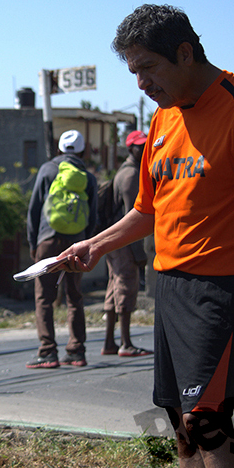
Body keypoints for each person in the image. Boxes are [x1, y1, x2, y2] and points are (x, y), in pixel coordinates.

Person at [57, 4, 234, 468]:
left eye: (148, 68)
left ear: (185, 53)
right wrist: (94, 246)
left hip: (226, 284)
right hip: (171, 285)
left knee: (207, 422)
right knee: (182, 427)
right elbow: (148, 210)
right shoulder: (162, 121)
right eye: (134, 71)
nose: (141, 83)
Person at [25, 130, 98, 368]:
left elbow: (34, 211)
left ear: (58, 150)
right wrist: (87, 245)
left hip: (48, 240)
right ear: (83, 151)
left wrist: (33, 244)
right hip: (75, 243)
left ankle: (47, 351)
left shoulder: (46, 170)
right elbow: (93, 217)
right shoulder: (88, 177)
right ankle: (77, 351)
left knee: (44, 297)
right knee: (74, 296)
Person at [101, 130, 151, 357]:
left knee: (114, 289)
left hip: (115, 242)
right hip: (124, 243)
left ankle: (110, 342)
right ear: (130, 148)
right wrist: (139, 252)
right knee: (126, 288)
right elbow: (133, 216)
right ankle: (126, 343)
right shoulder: (131, 176)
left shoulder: (123, 172)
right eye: (139, 146)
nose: (143, 149)